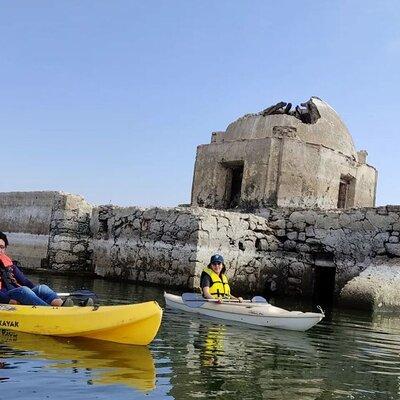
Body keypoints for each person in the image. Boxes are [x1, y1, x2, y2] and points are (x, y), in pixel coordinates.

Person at [0, 231, 73, 306]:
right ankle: (49, 311)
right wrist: (8, 300)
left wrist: (37, 294)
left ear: (5, 249)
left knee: (42, 288)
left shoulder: (10, 266)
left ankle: (62, 306)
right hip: (5, 297)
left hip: (17, 293)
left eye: (2, 247)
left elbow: (25, 282)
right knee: (24, 290)